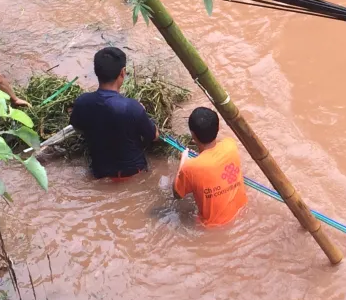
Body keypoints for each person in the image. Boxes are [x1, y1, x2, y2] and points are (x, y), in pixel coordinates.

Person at [70, 47, 157, 181]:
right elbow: (154, 136)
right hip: (134, 175)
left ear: (96, 72)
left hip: (99, 174)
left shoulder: (82, 102)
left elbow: (77, 128)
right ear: (122, 72)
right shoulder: (132, 107)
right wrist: (142, 113)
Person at [173, 107, 247, 226]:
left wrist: (183, 161)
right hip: (242, 211)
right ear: (218, 128)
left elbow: (177, 194)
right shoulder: (231, 145)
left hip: (212, 226)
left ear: (192, 134)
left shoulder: (190, 167)